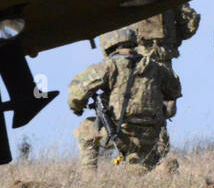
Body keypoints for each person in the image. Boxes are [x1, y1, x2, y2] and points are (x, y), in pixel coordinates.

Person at [68, 28, 181, 169]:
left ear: (108, 45)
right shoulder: (155, 67)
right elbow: (175, 90)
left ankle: (88, 177)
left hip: (120, 134)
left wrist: (78, 107)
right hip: (151, 136)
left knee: (86, 128)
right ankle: (164, 170)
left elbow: (76, 93)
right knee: (139, 171)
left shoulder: (109, 66)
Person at [129, 3, 199, 154]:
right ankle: (159, 155)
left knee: (138, 109)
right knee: (162, 111)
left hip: (137, 59)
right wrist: (173, 40)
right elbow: (190, 24)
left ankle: (144, 154)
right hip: (159, 58)